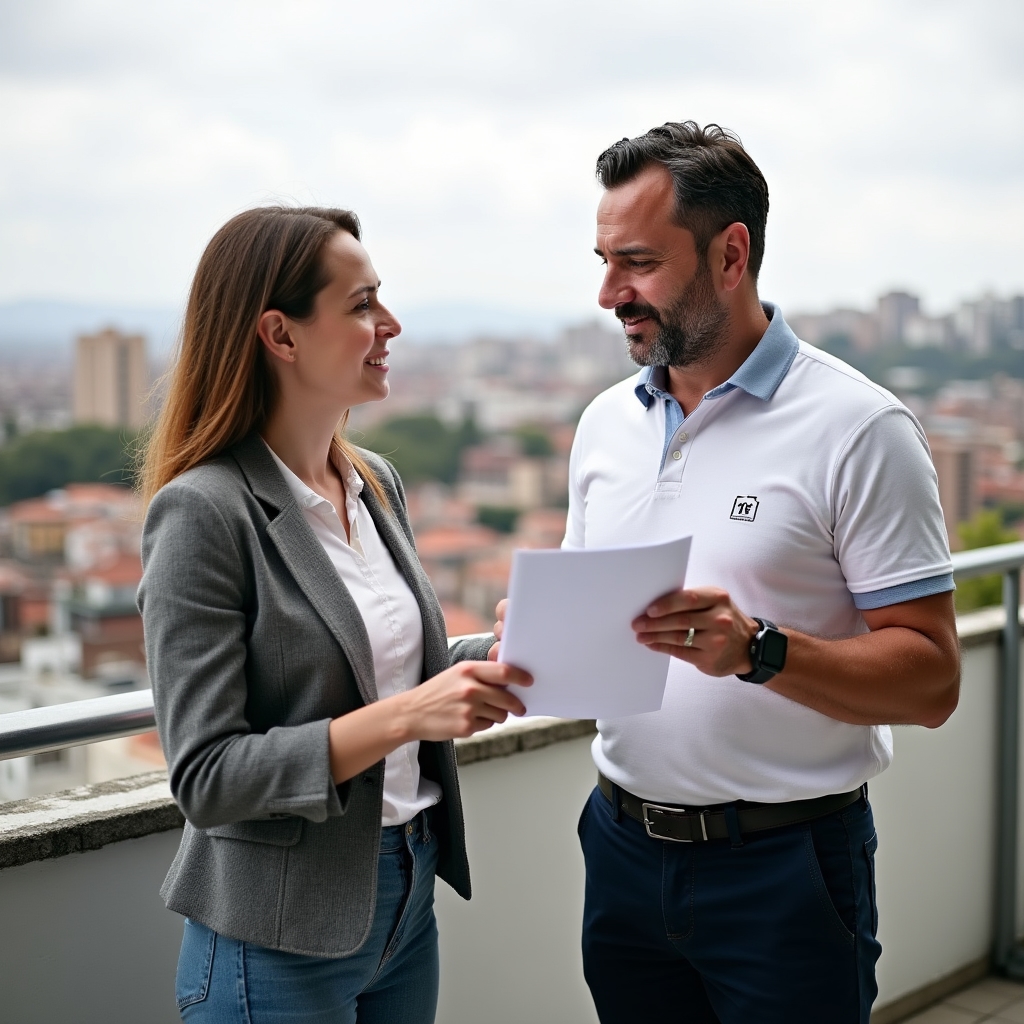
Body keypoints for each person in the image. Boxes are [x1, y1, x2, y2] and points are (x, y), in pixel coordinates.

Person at [494, 123, 960, 1023]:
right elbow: (614, 642)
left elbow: (933, 680)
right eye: (602, 260)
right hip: (622, 851)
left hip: (785, 870)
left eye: (636, 262)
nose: (607, 294)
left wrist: (758, 649)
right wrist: (543, 639)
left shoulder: (860, 428)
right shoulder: (602, 426)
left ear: (731, 254)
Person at [138, 206, 530, 1024]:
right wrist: (406, 717)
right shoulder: (204, 512)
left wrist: (510, 649)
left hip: (405, 898)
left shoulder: (374, 482)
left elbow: (381, 663)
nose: (390, 325)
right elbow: (207, 777)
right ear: (280, 335)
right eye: (361, 305)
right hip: (277, 935)